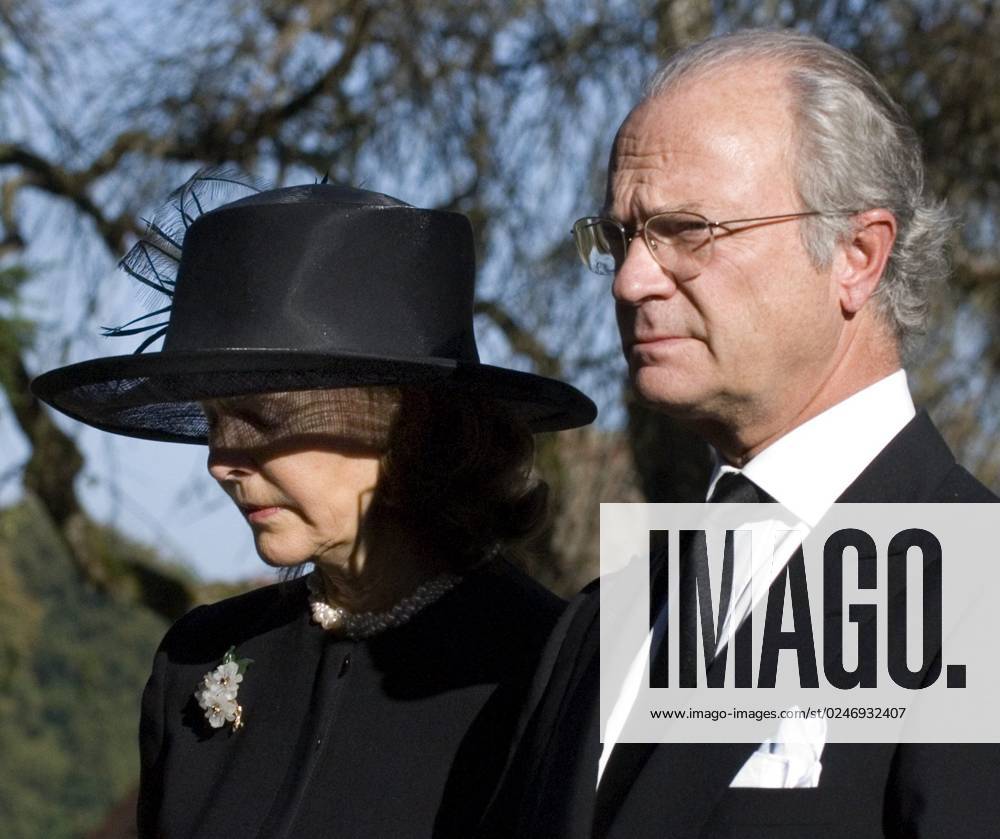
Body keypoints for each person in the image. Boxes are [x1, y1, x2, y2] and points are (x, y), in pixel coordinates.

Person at [479, 29, 1000, 839]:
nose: (631, 278)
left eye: (687, 230)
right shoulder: (602, 617)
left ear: (857, 255)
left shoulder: (977, 586)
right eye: (620, 236)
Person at [29, 173, 597, 837]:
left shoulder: (544, 667)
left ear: (403, 419)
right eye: (214, 421)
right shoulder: (200, 657)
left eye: (262, 419)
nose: (220, 460)